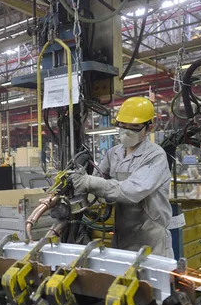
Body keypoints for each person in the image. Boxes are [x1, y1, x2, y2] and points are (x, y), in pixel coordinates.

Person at [71, 97, 174, 258]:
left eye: (134, 127)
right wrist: (79, 183)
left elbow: (132, 191)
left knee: (150, 283)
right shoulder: (114, 153)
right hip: (122, 236)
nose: (126, 132)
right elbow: (98, 181)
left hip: (150, 241)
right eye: (122, 126)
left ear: (149, 128)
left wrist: (90, 182)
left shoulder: (155, 156)